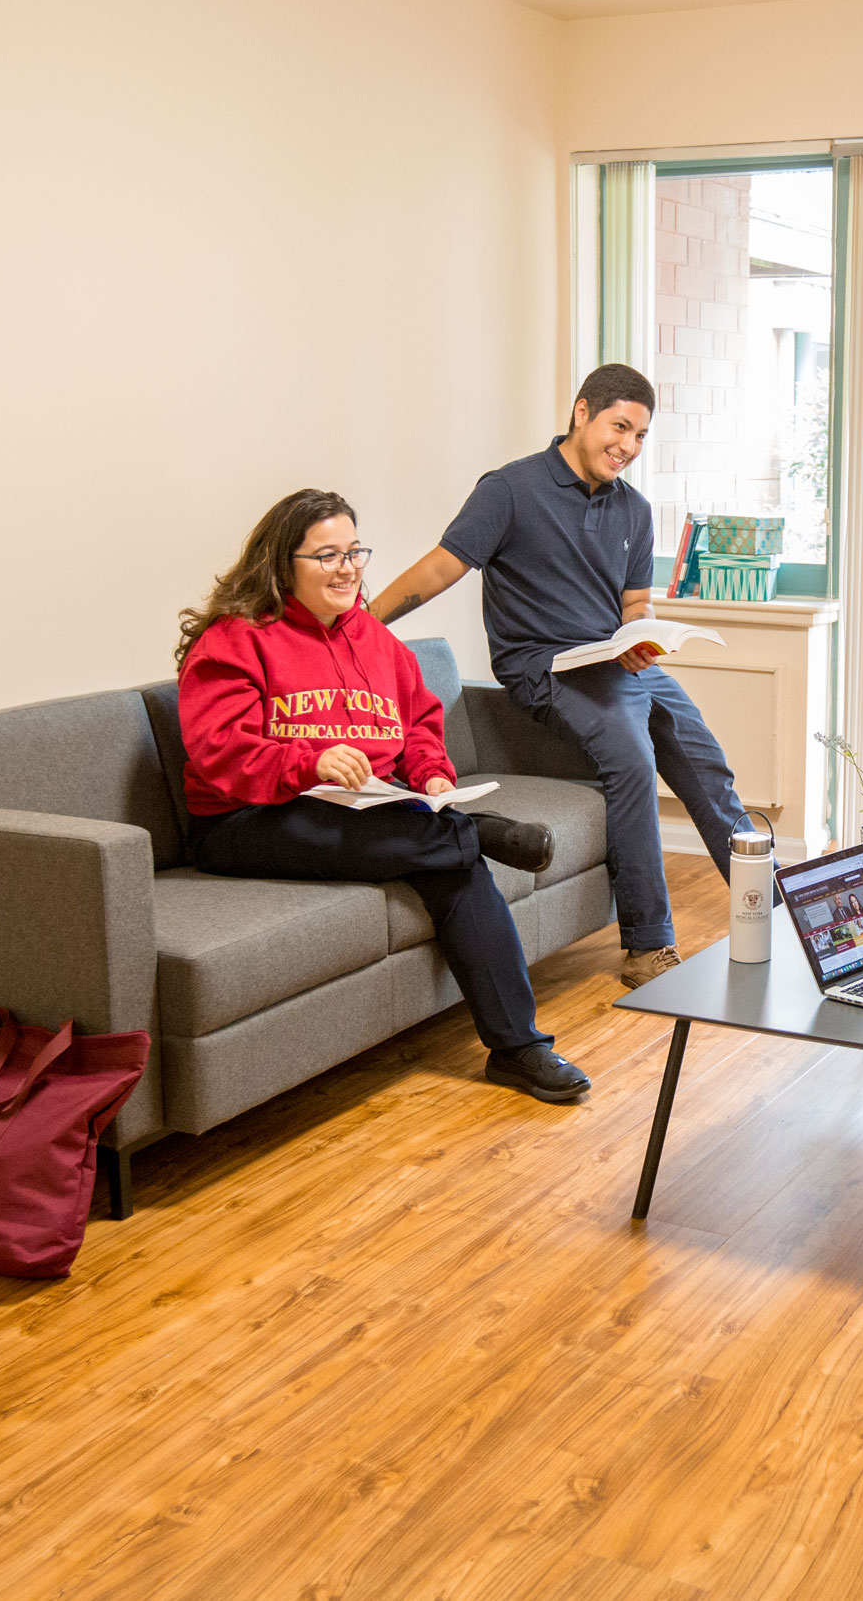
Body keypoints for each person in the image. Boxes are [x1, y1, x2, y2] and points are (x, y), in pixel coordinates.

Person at [174, 488, 591, 1104]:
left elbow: (419, 722)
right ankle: (479, 832)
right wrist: (307, 759)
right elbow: (219, 750)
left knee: (452, 861)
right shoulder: (236, 639)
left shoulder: (371, 636)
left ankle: (519, 1049)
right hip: (247, 818)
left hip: (363, 807)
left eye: (354, 551)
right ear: (281, 565)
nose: (348, 568)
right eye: (327, 556)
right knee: (448, 845)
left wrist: (431, 775)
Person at [372, 364, 750, 989]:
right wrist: (363, 620)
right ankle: (648, 945)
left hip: (615, 662)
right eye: (619, 426)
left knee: (703, 757)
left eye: (640, 436)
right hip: (548, 668)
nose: (627, 446)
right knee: (631, 758)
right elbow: (442, 568)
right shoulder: (510, 490)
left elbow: (635, 603)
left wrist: (642, 636)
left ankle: (769, 905)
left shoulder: (634, 510)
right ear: (581, 414)